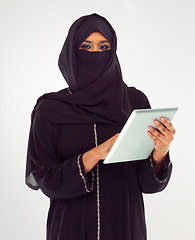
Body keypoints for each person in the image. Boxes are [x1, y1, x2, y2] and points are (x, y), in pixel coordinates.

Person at [25, 13, 175, 240]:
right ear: (71, 53)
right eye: (86, 46)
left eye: (103, 46)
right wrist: (95, 154)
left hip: (125, 225)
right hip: (69, 227)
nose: (95, 53)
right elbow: (45, 178)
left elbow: (149, 185)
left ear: (113, 51)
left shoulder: (134, 102)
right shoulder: (49, 109)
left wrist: (161, 151)